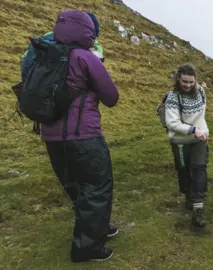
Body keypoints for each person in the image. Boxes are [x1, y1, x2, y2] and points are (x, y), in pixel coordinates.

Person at [40, 9, 119, 262]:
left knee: (76, 186)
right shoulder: (86, 57)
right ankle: (87, 248)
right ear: (88, 32)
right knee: (97, 186)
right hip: (84, 136)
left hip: (52, 138)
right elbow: (112, 97)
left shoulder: (44, 56)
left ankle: (96, 228)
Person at [19, 12, 104, 134]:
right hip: (77, 123)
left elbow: (26, 62)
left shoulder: (48, 37)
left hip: (42, 102)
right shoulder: (91, 46)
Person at [165, 63, 209, 228]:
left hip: (199, 138)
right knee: (183, 170)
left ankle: (198, 208)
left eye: (191, 82)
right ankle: (188, 195)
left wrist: (201, 130)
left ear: (195, 79)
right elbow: (172, 123)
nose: (188, 85)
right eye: (185, 81)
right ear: (178, 78)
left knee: (199, 168)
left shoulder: (201, 92)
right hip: (180, 140)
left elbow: (201, 113)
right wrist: (192, 129)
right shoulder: (173, 97)